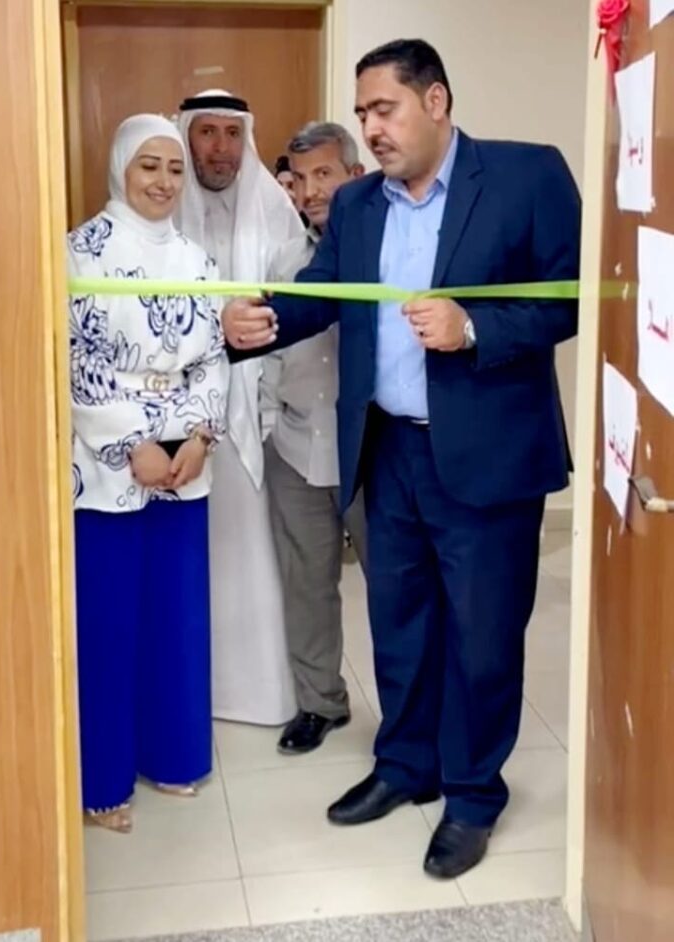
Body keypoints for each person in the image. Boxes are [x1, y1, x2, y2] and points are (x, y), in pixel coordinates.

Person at [222, 40, 580, 878]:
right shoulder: (358, 206)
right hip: (387, 451)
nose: (372, 128)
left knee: (484, 637)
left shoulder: (527, 176)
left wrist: (475, 326)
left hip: (488, 457)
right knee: (399, 623)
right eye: (363, 114)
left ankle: (473, 795)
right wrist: (259, 322)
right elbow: (326, 289)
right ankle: (406, 763)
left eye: (384, 109)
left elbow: (568, 296)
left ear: (436, 101)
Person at [68, 113, 229, 833]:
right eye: (149, 166)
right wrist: (133, 443)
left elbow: (213, 358)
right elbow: (76, 359)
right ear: (121, 169)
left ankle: (172, 755)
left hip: (184, 460)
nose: (163, 182)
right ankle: (101, 781)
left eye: (174, 169)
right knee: (107, 619)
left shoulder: (198, 260)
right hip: (108, 464)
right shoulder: (80, 252)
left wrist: (199, 434)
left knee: (175, 613)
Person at [175, 89, 304, 726]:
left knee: (250, 555)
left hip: (255, 413)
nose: (220, 148)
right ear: (186, 136)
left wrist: (271, 403)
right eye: (207, 133)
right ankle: (184, 691)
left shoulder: (274, 208)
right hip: (176, 423)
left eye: (232, 133)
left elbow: (296, 311)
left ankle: (255, 695)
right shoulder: (162, 206)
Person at [261, 122, 368, 756]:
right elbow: (266, 348)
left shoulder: (386, 251)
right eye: (300, 179)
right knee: (307, 586)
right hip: (297, 446)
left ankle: (412, 720)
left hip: (373, 452)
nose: (310, 192)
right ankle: (320, 703)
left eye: (324, 175)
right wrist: (268, 426)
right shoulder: (283, 258)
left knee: (397, 592)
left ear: (356, 176)